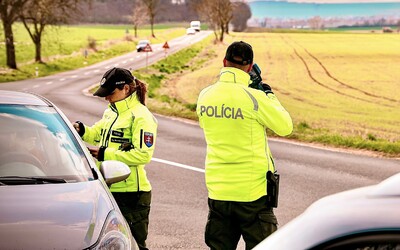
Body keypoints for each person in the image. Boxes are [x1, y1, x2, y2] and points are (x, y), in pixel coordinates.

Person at [196, 41, 293, 250]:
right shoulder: (255, 98)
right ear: (250, 67)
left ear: (224, 62)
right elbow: (285, 126)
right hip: (253, 194)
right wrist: (267, 92)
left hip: (218, 191)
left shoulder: (205, 95)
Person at [73, 67, 157, 250]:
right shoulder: (111, 111)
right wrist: (81, 129)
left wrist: (105, 154)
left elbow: (143, 155)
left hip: (132, 195)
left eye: (110, 93)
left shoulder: (142, 116)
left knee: (134, 245)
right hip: (107, 188)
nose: (106, 97)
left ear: (126, 89)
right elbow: (97, 133)